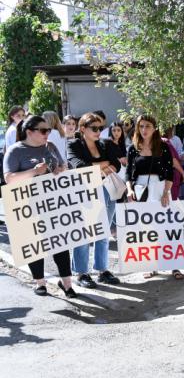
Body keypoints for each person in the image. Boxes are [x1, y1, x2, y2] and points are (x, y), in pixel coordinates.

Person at [4, 115, 76, 297]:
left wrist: (59, 170)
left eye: (49, 130)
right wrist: (35, 172)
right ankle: (40, 283)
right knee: (34, 243)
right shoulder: (15, 151)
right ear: (29, 132)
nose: (48, 133)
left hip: (53, 204)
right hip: (28, 206)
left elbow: (63, 167)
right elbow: (9, 179)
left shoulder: (50, 147)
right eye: (43, 131)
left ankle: (67, 284)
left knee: (61, 242)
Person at [67, 112, 122, 288]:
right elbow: (79, 166)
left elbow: (117, 164)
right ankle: (82, 273)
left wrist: (97, 167)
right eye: (94, 128)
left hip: (107, 191)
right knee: (84, 233)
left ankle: (102, 270)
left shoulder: (105, 144)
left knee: (104, 231)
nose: (98, 131)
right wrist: (103, 166)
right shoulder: (74, 144)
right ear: (82, 128)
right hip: (85, 193)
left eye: (100, 128)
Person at [125, 115, 177, 278]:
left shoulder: (163, 146)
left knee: (166, 226)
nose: (144, 129)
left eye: (148, 126)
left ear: (154, 128)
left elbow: (170, 172)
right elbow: (128, 173)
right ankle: (151, 265)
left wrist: (166, 192)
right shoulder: (133, 148)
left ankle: (175, 265)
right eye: (141, 126)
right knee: (147, 229)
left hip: (160, 187)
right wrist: (130, 189)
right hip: (140, 189)